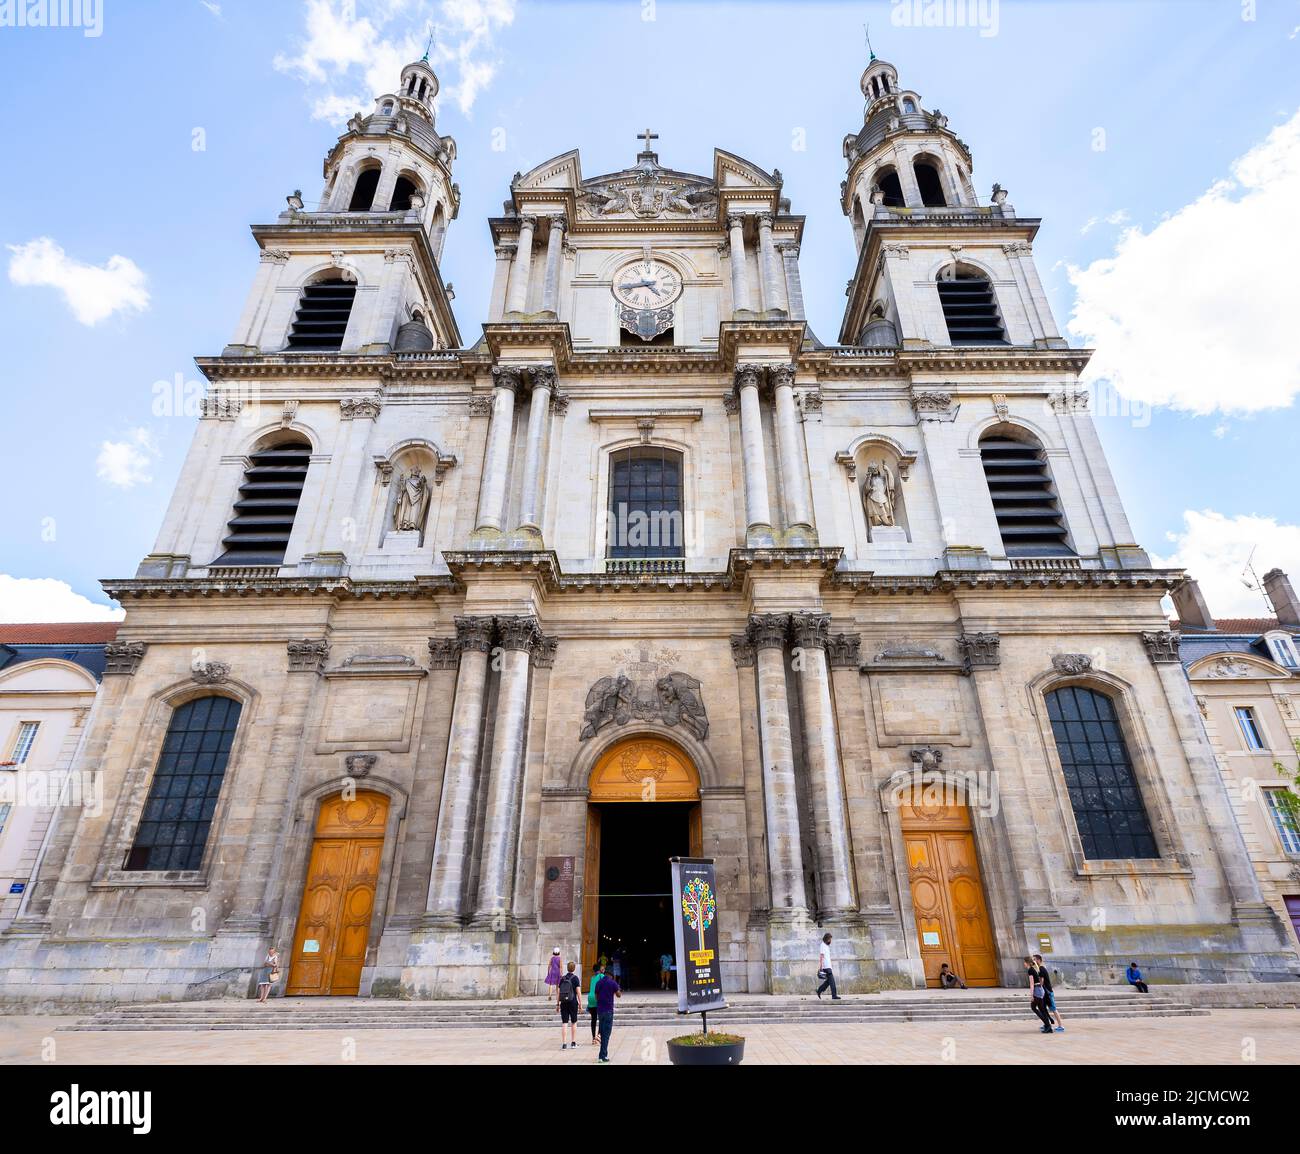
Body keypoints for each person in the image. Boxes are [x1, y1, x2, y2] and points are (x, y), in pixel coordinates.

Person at [594, 964, 622, 1063]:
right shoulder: (613, 983)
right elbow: (619, 995)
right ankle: (602, 1056)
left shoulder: (599, 982)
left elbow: (596, 995)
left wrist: (600, 1002)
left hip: (600, 1011)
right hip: (609, 1011)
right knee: (606, 1034)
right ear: (611, 974)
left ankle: (602, 1054)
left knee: (602, 1032)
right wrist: (617, 989)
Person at [1032, 953, 1064, 1031]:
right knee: (1044, 1009)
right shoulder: (1040, 968)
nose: (1033, 961)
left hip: (1048, 992)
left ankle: (1061, 1026)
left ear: (1038, 960)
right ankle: (1046, 1024)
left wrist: (1037, 987)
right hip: (1045, 992)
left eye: (1034, 959)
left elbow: (1041, 981)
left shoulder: (1041, 969)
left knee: (1053, 1008)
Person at [556, 960, 582, 1050]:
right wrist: (580, 1004)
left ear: (567, 968)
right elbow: (578, 992)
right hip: (573, 1002)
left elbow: (559, 993)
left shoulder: (562, 978)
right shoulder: (575, 978)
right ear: (574, 968)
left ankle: (564, 1044)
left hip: (563, 1002)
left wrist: (557, 1004)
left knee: (564, 1023)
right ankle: (573, 1043)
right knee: (574, 1022)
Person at [1025, 956, 1053, 1033]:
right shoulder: (1034, 968)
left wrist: (1031, 995)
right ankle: (1048, 1025)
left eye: (1024, 962)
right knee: (1041, 1008)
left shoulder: (1030, 970)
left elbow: (1031, 984)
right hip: (1040, 989)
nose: (1024, 964)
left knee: (1033, 1007)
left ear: (1027, 963)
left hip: (1037, 990)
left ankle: (1048, 1025)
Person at [816, 932, 841, 1000]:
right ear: (826, 939)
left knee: (828, 982)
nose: (830, 941)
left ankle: (819, 990)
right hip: (825, 967)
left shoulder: (826, 946)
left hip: (828, 966)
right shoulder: (822, 945)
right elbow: (821, 956)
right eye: (830, 939)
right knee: (832, 981)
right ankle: (834, 995)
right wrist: (821, 967)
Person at [586, 962, 604, 1046]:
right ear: (600, 969)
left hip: (590, 998)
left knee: (593, 1019)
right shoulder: (601, 976)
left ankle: (593, 1038)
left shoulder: (592, 978)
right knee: (601, 1019)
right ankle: (599, 1036)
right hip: (598, 998)